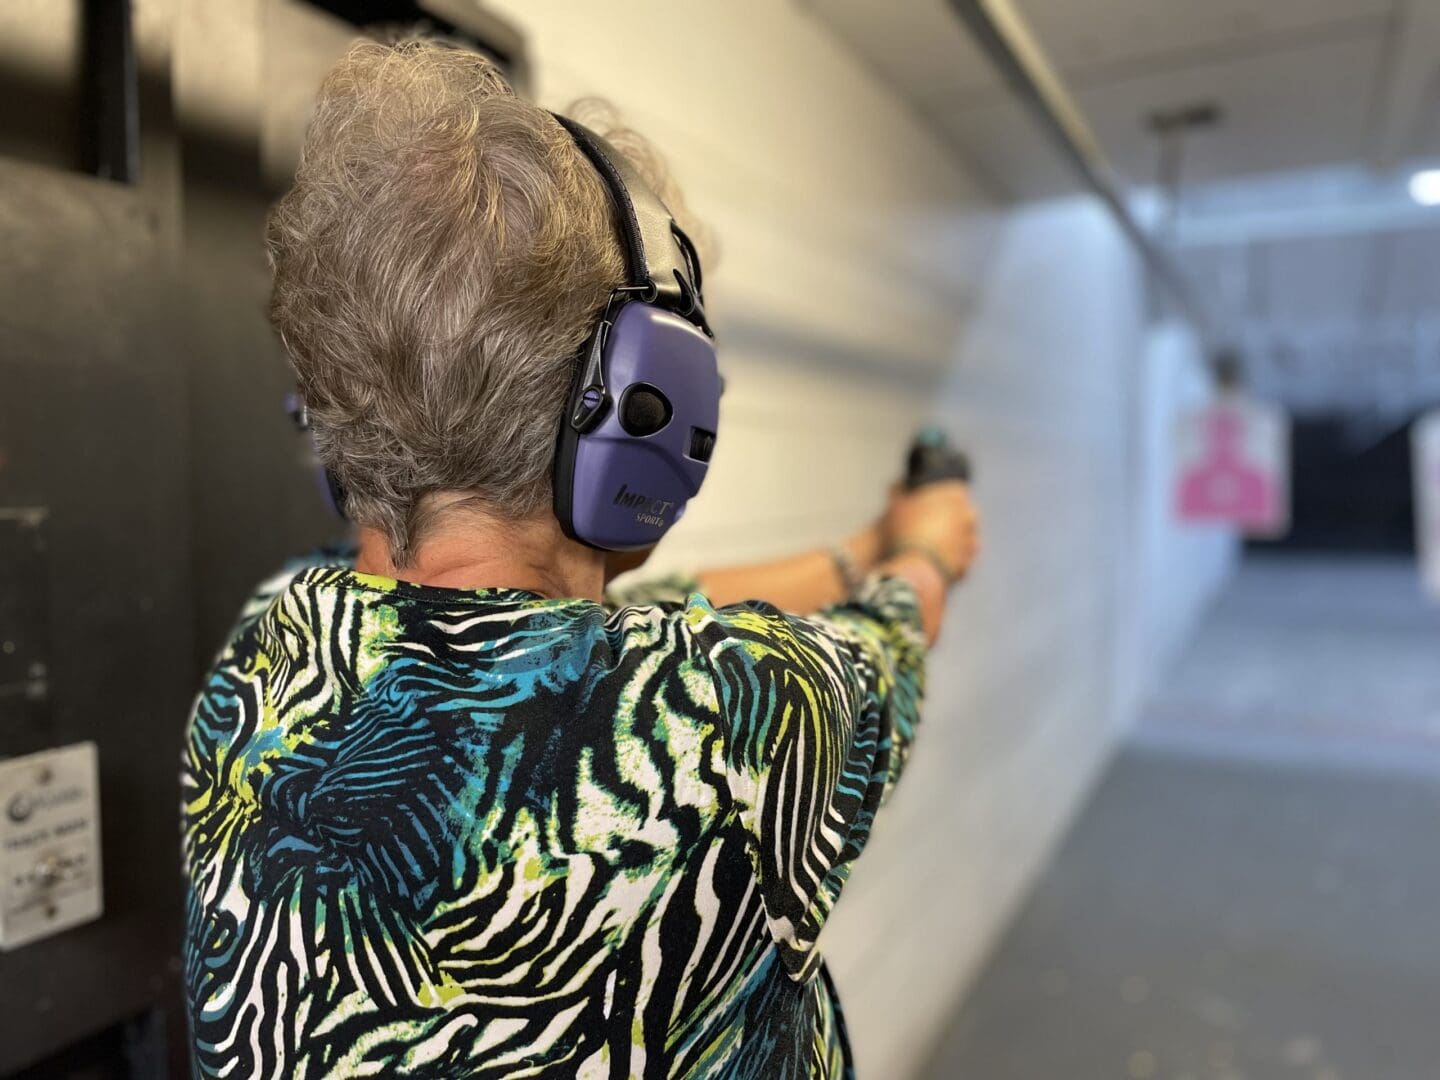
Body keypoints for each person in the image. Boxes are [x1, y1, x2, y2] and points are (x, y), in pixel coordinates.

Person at [181, 40, 979, 1079]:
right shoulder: (755, 714)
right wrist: (920, 546)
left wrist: (856, 547)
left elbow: (588, 636)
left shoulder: (269, 645)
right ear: (650, 410)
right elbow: (899, 620)